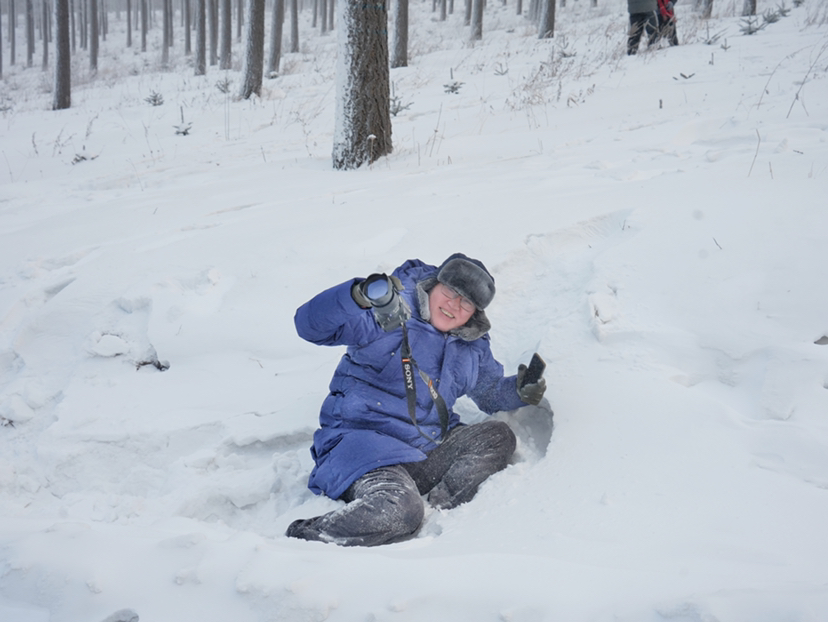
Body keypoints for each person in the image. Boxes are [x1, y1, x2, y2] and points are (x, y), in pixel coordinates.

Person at [287, 254, 547, 547]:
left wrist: (520, 391)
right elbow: (309, 326)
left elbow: (490, 393)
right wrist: (358, 296)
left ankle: (442, 505)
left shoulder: (472, 347)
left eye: (466, 303)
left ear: (474, 312)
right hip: (362, 446)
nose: (454, 305)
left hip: (425, 449)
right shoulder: (389, 310)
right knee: (399, 512)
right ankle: (307, 535)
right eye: (450, 292)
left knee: (497, 436)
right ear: (434, 284)